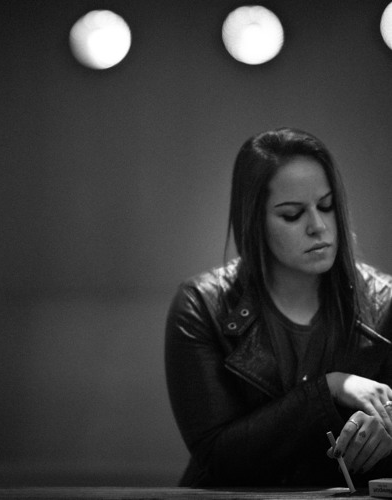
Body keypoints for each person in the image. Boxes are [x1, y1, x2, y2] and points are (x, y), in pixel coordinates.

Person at [165, 127, 392, 487]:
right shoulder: (202, 305)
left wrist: (385, 431)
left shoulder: (385, 302)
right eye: (292, 214)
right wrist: (328, 389)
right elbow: (217, 456)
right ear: (254, 221)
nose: (318, 226)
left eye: (327, 206)